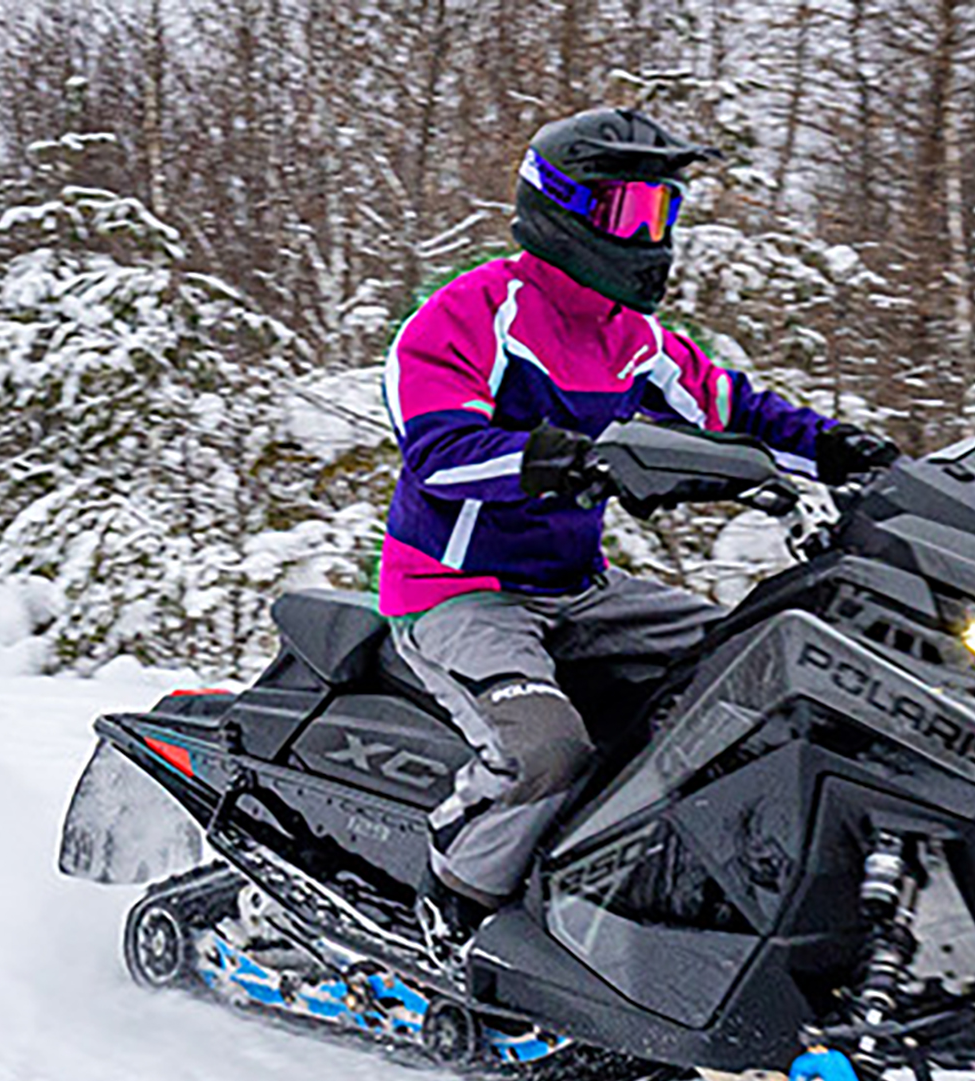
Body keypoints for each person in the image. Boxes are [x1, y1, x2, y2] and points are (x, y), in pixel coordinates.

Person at [379, 107, 897, 972]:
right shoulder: (471, 314)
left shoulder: (634, 340)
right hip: (458, 590)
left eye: (664, 212)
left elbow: (732, 407)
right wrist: (565, 461)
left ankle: (660, 907)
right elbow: (438, 456)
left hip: (582, 590)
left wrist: (838, 448)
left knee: (763, 662)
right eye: (633, 214)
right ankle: (442, 911)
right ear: (565, 209)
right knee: (547, 754)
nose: (654, 235)